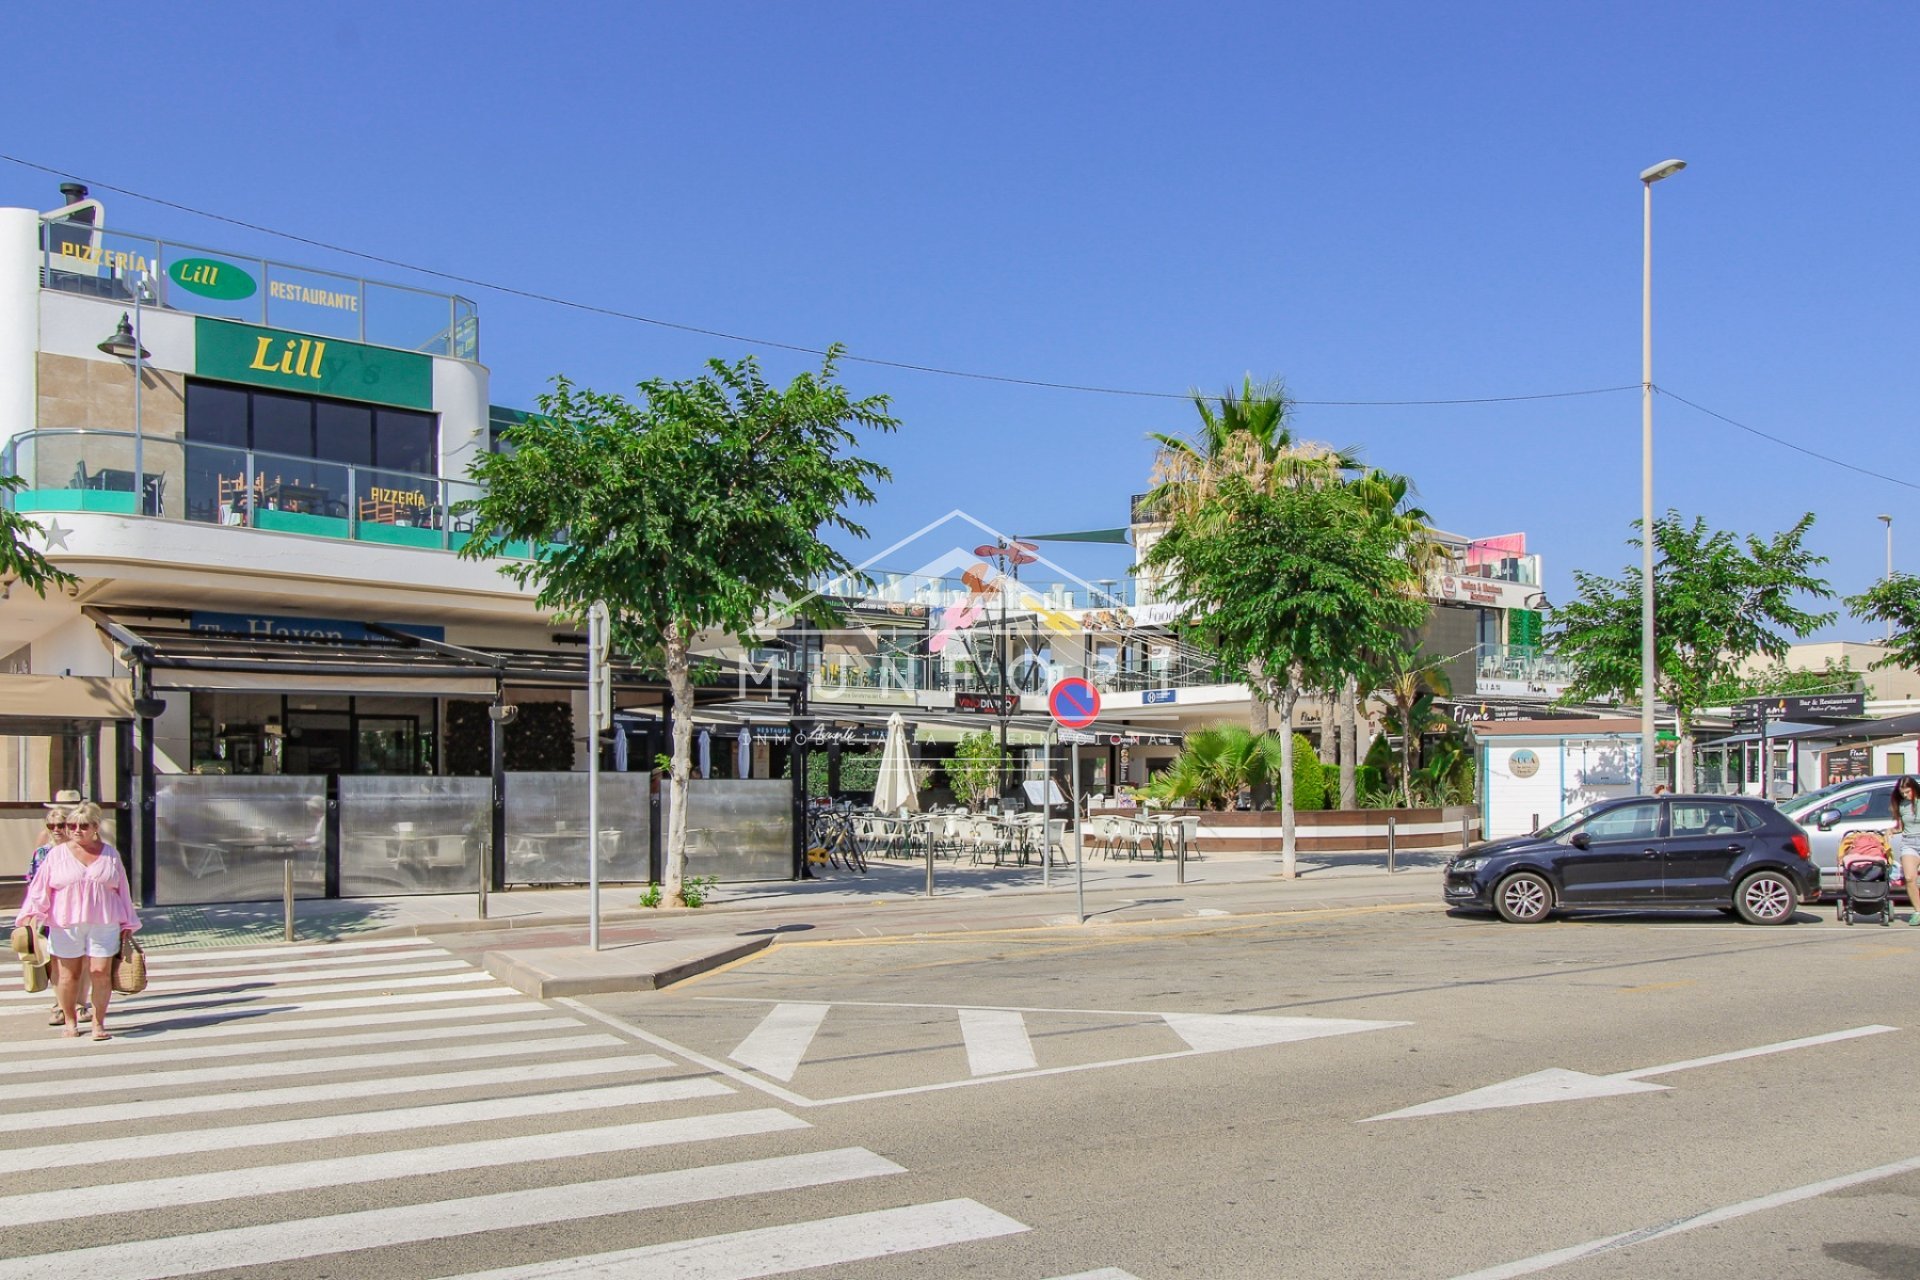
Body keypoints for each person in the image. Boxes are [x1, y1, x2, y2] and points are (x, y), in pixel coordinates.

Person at [13, 801, 140, 1040]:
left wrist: (128, 923)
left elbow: (122, 889)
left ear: (95, 827)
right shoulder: (56, 855)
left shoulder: (110, 854)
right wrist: (30, 916)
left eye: (83, 826)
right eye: (71, 826)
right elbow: (40, 888)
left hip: (104, 921)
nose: (76, 830)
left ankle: (98, 1023)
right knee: (67, 975)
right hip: (66, 922)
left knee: (100, 972)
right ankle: (70, 1020)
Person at [25, 793, 85, 1027]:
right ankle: (61, 1004)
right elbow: (34, 881)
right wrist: (31, 913)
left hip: (79, 911)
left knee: (82, 959)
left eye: (61, 824)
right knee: (55, 960)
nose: (56, 829)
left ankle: (79, 1003)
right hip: (52, 913)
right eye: (52, 825)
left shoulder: (83, 843)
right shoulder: (44, 847)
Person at [1890, 777, 1920, 926]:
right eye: (1902, 793)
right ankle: (1918, 912)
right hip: (1909, 843)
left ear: (1914, 788)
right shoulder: (1902, 805)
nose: (1905, 795)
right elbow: (1901, 827)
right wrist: (1891, 830)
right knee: (1909, 878)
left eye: (1908, 792)